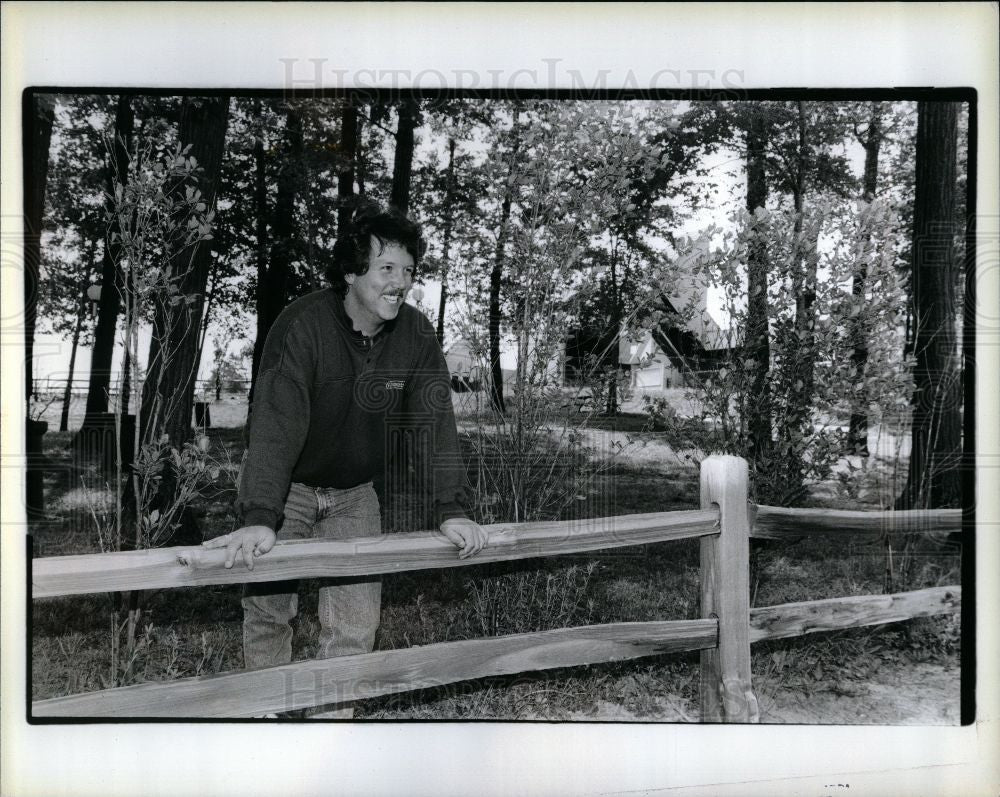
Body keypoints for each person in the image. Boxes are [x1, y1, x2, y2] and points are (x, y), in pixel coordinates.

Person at [203, 203, 487, 717]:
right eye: (387, 269)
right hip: (289, 487)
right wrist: (261, 516)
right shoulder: (302, 325)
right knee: (269, 611)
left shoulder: (416, 336)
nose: (401, 283)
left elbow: (434, 426)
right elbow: (274, 426)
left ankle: (331, 726)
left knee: (356, 624)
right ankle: (263, 717)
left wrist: (453, 508)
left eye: (408, 271)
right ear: (352, 273)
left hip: (357, 493)